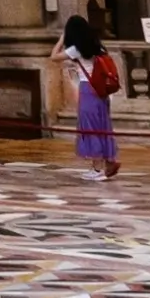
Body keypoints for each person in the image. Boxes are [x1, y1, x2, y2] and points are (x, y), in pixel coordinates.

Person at [64, 9, 120, 178]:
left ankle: (97, 169)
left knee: (90, 128)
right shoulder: (98, 46)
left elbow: (53, 56)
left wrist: (62, 39)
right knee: (103, 126)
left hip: (88, 90)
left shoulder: (76, 50)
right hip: (101, 90)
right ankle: (109, 161)